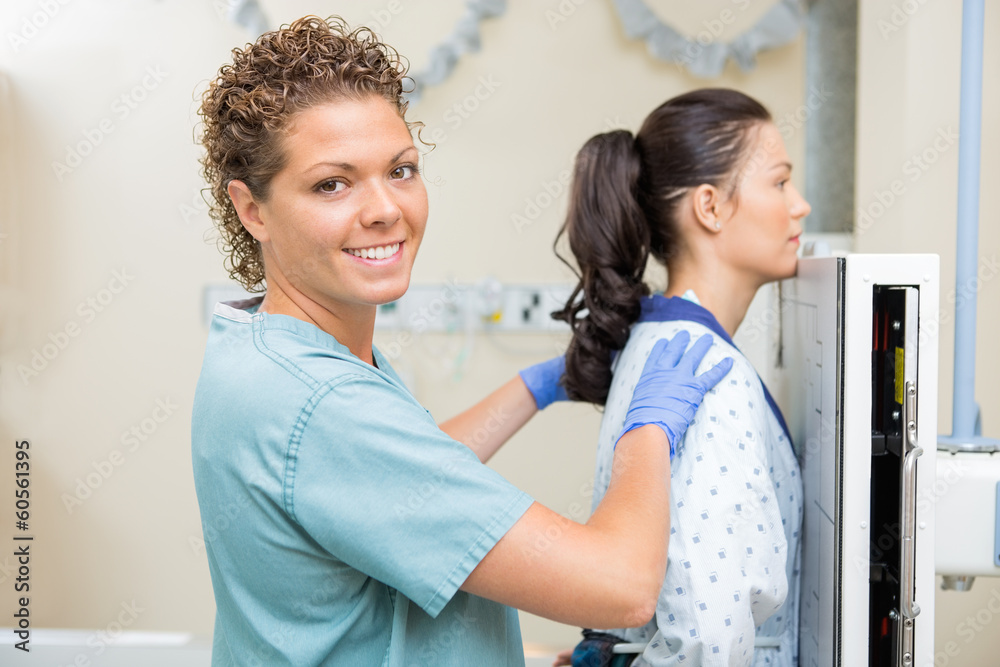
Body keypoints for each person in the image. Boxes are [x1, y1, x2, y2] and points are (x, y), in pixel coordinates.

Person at [190, 17, 733, 667]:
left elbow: (394, 482)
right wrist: (648, 426)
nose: (385, 209)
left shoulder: (260, 347)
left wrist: (535, 387)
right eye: (332, 183)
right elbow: (620, 587)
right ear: (252, 209)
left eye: (401, 170)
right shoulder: (324, 404)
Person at [551, 89, 811, 666]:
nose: (800, 205)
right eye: (779, 182)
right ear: (710, 207)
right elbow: (706, 639)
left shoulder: (658, 340)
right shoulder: (704, 369)